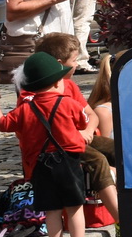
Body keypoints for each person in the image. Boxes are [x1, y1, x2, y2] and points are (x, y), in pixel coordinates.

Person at [0, 50, 96, 237]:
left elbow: (2, 125)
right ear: (55, 83)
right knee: (74, 207)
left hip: (39, 166)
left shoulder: (25, 108)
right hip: (68, 162)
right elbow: (83, 122)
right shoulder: (68, 103)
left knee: (51, 211)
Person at [34, 30, 117, 223]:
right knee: (97, 160)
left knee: (119, 150)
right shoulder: (37, 89)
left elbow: (91, 114)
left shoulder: (70, 86)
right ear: (60, 64)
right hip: (59, 144)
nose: (77, 64)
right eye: (74, 60)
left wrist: (88, 130)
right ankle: (122, 219)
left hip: (80, 136)